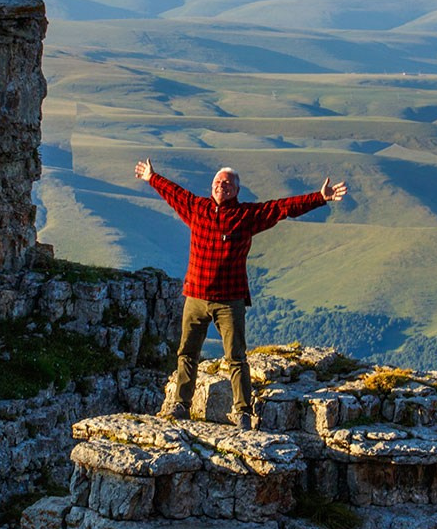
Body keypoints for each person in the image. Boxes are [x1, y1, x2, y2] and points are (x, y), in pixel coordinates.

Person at [135, 159, 348, 430]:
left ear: (236, 190)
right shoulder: (196, 208)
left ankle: (243, 412)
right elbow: (173, 192)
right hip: (196, 297)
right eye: (216, 183)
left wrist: (319, 198)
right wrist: (152, 177)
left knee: (236, 357)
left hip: (229, 300)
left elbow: (282, 208)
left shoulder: (247, 216)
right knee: (187, 353)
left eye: (226, 183)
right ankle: (181, 405)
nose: (220, 186)